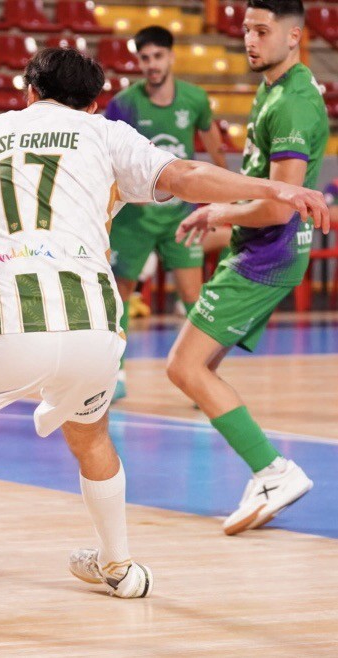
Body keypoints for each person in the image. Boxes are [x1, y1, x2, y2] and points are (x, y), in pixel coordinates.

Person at [0, 48, 328, 623]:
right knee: (91, 431)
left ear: (28, 91)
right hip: (95, 324)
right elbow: (188, 176)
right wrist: (275, 189)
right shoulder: (105, 134)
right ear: (94, 103)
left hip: (7, 319)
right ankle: (119, 566)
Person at [167, 0, 329, 535]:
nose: (250, 41)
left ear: (295, 36)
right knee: (197, 367)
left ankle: (274, 470)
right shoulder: (274, 89)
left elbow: (280, 206)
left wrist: (218, 211)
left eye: (262, 31)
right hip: (260, 247)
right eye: (246, 30)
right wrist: (220, 217)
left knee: (184, 367)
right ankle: (267, 472)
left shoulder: (294, 104)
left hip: (268, 253)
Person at [104, 25, 229, 400]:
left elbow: (214, 149)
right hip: (134, 219)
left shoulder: (195, 99)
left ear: (171, 57)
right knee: (120, 293)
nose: (152, 64)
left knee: (193, 294)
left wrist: (223, 198)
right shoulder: (124, 103)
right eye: (145, 58)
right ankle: (115, 375)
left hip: (180, 217)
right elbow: (107, 155)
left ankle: (203, 375)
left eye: (158, 56)